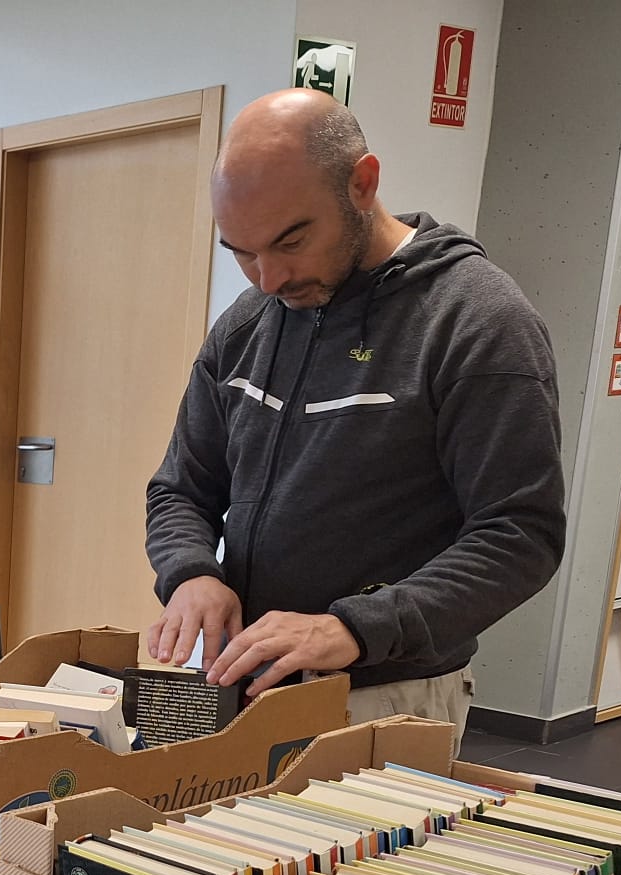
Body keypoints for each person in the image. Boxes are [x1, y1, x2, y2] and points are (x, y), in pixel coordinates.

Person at [144, 90, 566, 744]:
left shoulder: (476, 321)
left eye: (291, 240)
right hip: (241, 682)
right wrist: (191, 572)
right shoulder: (250, 321)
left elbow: (520, 535)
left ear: (362, 184)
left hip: (384, 696)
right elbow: (180, 488)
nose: (267, 277)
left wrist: (354, 627)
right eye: (241, 251)